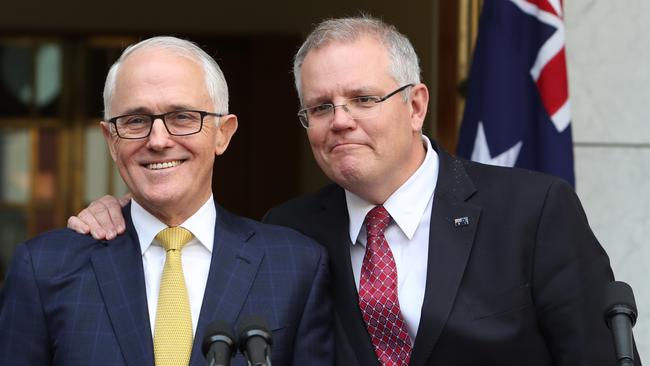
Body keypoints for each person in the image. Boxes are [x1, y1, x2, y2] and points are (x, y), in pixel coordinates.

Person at [66, 17, 638, 366]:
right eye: (319, 107)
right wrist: (128, 210)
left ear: (416, 105)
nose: (339, 120)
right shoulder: (288, 231)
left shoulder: (533, 210)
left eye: (363, 99)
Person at [0, 36, 333, 365]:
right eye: (135, 121)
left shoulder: (295, 265)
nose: (158, 140)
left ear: (223, 133)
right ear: (110, 140)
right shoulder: (45, 268)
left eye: (182, 117)